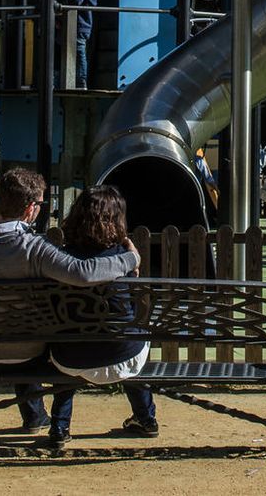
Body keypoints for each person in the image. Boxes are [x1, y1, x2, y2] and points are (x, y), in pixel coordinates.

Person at [0, 167, 140, 435]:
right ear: (30, 209)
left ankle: (35, 417)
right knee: (31, 330)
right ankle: (39, 418)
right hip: (28, 355)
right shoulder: (34, 249)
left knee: (16, 321)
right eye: (40, 204)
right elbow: (82, 272)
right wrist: (130, 258)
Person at [46, 185, 157, 445]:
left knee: (68, 336)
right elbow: (132, 305)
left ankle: (60, 426)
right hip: (123, 355)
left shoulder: (62, 259)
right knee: (132, 334)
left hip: (72, 357)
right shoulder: (123, 259)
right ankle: (146, 417)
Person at [59, 0, 97, 89]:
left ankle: (81, 82)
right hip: (87, 26)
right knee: (82, 53)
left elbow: (76, 1)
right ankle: (81, 81)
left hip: (80, 26)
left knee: (80, 55)